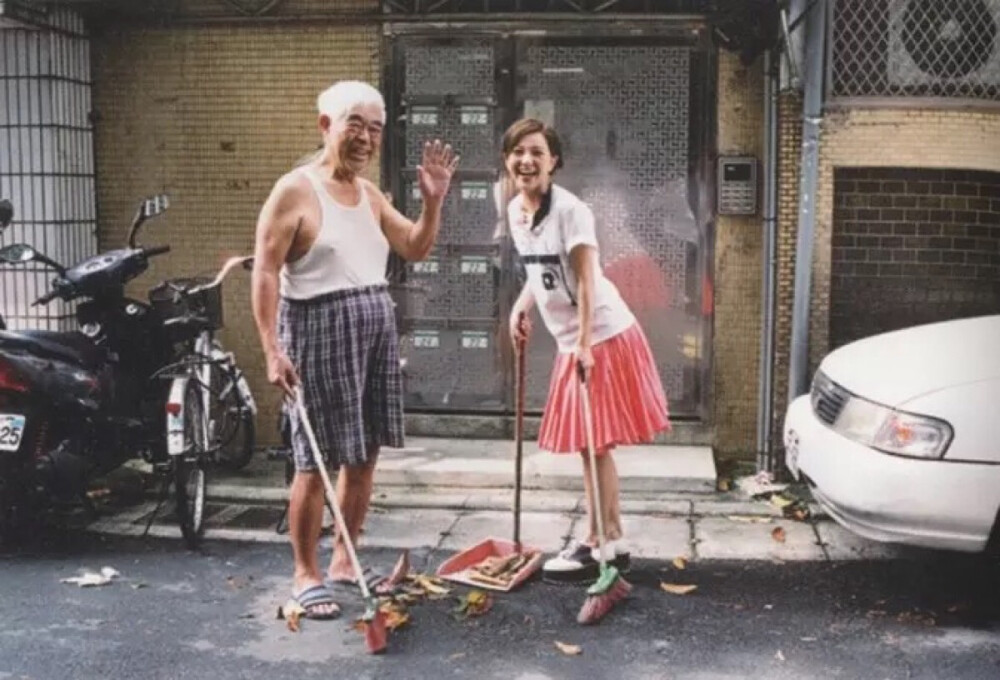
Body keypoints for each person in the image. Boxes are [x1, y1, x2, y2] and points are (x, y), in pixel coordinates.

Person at [251, 80, 458, 618]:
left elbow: (413, 245)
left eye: (375, 127)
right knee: (314, 459)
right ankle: (305, 574)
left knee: (364, 456)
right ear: (326, 126)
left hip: (373, 327)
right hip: (317, 329)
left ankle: (344, 558)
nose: (366, 137)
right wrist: (272, 348)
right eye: (355, 124)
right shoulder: (294, 189)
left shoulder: (369, 193)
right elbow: (267, 272)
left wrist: (432, 203)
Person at [501, 118, 670, 582]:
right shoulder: (517, 210)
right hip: (572, 338)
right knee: (588, 446)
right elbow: (541, 273)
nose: (526, 160)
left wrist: (582, 345)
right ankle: (607, 542)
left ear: (554, 161)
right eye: (517, 151)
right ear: (507, 160)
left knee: (595, 445)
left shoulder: (572, 211)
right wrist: (521, 307)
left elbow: (589, 278)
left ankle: (602, 544)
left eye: (536, 151)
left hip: (602, 335)